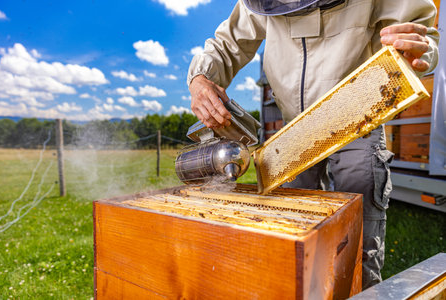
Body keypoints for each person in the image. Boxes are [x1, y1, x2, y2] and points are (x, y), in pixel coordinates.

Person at [187, 0, 439, 289]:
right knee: (290, 232)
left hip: (359, 118)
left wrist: (420, 51)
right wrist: (201, 77)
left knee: (357, 245)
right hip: (293, 131)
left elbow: (420, 35)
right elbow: (226, 44)